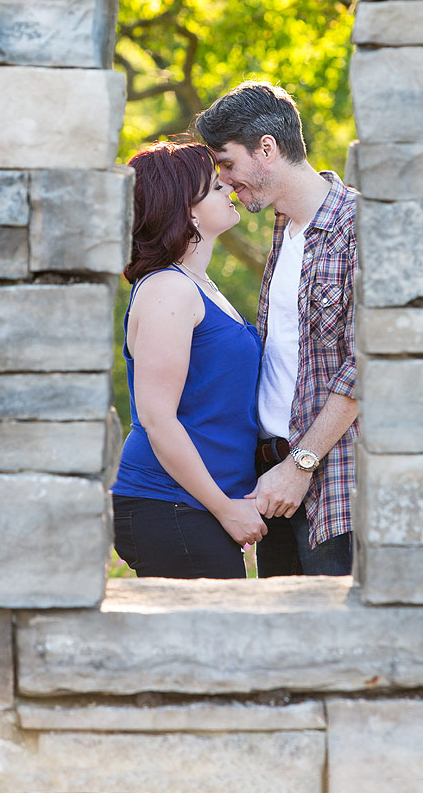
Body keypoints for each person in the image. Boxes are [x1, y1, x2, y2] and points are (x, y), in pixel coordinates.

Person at [196, 82, 358, 577]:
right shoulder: (283, 229)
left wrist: (300, 465)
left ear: (266, 148)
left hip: (327, 486)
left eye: (226, 163)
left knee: (335, 645)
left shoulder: (357, 225)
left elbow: (367, 363)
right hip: (272, 483)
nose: (224, 181)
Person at [111, 141, 267, 579]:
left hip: (193, 505)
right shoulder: (168, 289)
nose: (231, 190)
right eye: (217, 187)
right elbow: (157, 419)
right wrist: (225, 509)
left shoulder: (197, 284)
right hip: (166, 502)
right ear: (189, 211)